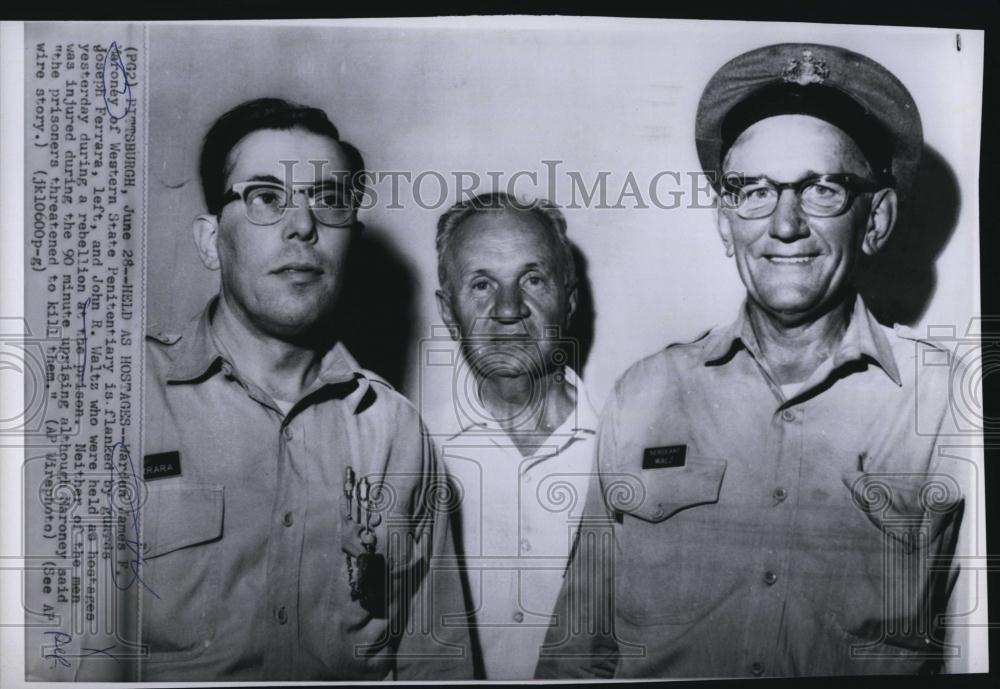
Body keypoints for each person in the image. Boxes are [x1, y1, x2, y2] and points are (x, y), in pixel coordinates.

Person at [536, 43, 975, 678]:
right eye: (755, 191)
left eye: (822, 188)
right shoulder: (645, 394)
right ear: (724, 220)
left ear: (875, 219)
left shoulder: (948, 407)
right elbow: (577, 655)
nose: (785, 223)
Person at [140, 97, 471, 681]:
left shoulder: (396, 433)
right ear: (209, 240)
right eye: (267, 198)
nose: (303, 225)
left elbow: (437, 669)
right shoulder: (123, 401)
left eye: (328, 200)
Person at [432, 192, 599, 679]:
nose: (508, 309)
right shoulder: (413, 455)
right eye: (481, 284)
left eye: (532, 279)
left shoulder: (623, 453)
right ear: (448, 311)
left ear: (568, 299)